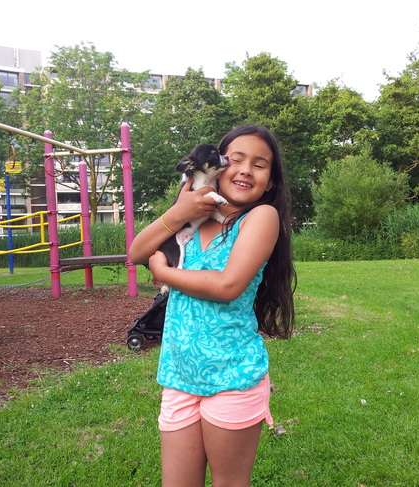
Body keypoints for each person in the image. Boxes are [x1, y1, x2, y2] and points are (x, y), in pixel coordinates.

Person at [129, 125, 296, 486]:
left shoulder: (260, 218)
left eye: (259, 165)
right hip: (179, 374)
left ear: (270, 182)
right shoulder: (192, 218)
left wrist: (164, 273)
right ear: (218, 165)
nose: (246, 170)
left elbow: (227, 286)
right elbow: (137, 252)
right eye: (236, 159)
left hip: (232, 376)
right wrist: (179, 211)